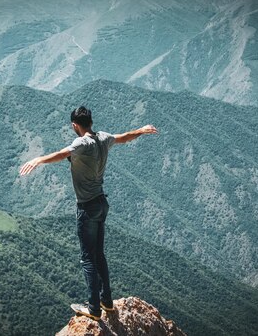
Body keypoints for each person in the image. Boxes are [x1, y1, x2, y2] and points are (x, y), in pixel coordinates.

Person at [19, 106, 158, 320]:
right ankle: (107, 301)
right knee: (99, 254)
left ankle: (94, 308)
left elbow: (62, 154)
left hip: (87, 207)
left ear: (75, 125)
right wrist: (141, 129)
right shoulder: (103, 138)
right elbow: (124, 137)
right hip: (102, 203)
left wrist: (38, 160)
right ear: (90, 121)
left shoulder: (81, 143)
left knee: (87, 259)